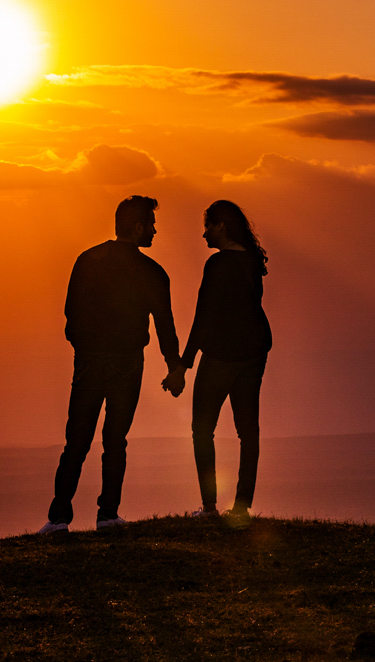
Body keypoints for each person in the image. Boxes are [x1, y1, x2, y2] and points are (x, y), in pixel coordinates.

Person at [38, 195, 187, 534]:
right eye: (150, 223)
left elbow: (70, 312)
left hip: (88, 360)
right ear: (137, 228)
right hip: (127, 361)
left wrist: (83, 344)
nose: (154, 230)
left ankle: (58, 517)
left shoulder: (88, 260)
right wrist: (174, 366)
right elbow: (165, 324)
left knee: (76, 440)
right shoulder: (152, 272)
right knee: (115, 439)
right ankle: (108, 514)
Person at [163, 200, 271, 527]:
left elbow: (204, 318)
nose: (204, 233)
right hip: (253, 353)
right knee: (247, 431)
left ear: (221, 226)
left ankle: (209, 507)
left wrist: (184, 364)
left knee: (202, 430)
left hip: (222, 356)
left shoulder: (218, 264)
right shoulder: (252, 261)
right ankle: (242, 506)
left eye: (208, 225)